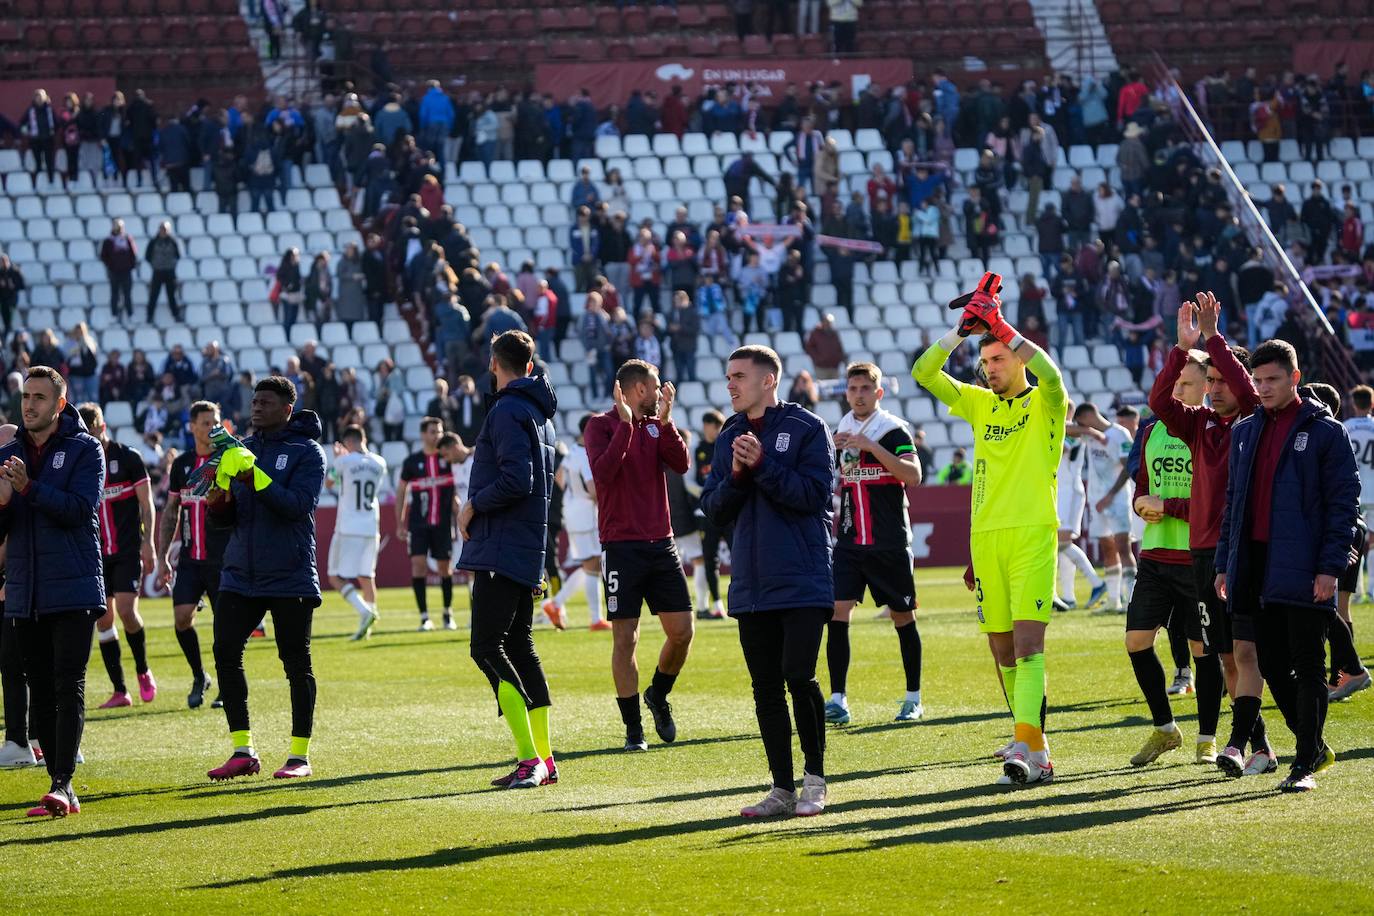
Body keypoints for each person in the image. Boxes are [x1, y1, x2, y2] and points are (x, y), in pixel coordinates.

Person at [912, 273, 1066, 786]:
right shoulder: (980, 403)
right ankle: (1031, 742)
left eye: (998, 358)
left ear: (1018, 358)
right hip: (987, 539)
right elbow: (924, 372)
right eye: (984, 362)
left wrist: (1001, 324)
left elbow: (1054, 376)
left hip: (1031, 535)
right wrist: (962, 332)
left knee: (1027, 647)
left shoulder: (1045, 403)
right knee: (1002, 651)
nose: (990, 369)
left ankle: (1029, 748)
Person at [1214, 338, 1359, 792]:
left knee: (1310, 666)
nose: (1262, 388)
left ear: (1295, 378)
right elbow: (1233, 504)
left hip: (1305, 565)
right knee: (1273, 666)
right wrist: (1224, 563)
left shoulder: (1327, 432)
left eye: (1272, 379)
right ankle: (1312, 746)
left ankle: (1304, 765)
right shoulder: (1244, 431)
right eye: (1256, 380)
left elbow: (1343, 506)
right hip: (1254, 567)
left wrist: (1330, 567)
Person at [701, 345, 835, 817]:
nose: (731, 384)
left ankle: (815, 780)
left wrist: (762, 466)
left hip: (801, 577)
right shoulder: (729, 435)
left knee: (799, 675)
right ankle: (781, 788)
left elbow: (814, 497)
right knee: (764, 689)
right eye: (728, 375)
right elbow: (713, 509)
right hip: (751, 584)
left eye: (739, 375)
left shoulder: (807, 428)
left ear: (768, 380)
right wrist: (738, 476)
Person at [205, 376, 326, 782]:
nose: (257, 407)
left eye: (267, 402)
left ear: (287, 409)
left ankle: (299, 756)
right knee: (224, 651)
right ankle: (243, 749)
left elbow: (296, 506)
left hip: (290, 572)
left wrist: (254, 477)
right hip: (241, 572)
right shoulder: (242, 449)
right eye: (255, 401)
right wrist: (218, 502)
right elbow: (227, 519)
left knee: (295, 663)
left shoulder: (307, 452)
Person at [457, 330, 559, 789]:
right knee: (520, 645)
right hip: (526, 545)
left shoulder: (505, 411)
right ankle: (546, 758)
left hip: (501, 545)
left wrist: (474, 503)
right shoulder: (542, 416)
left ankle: (528, 759)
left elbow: (516, 481)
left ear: (494, 365)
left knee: (486, 647)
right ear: (531, 368)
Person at [0, 368, 105, 816]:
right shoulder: (7, 453)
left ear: (59, 404)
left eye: (40, 397)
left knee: (68, 686)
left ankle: (64, 785)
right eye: (26, 396)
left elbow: (80, 511)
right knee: (39, 691)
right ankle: (57, 785)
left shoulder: (86, 450)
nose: (29, 405)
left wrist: (28, 488)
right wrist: (4, 501)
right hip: (26, 589)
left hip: (74, 586)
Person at [584, 360, 694, 751]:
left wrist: (666, 422)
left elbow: (681, 464)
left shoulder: (657, 424)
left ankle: (658, 694)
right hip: (621, 547)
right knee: (625, 639)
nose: (659, 393)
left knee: (683, 633)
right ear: (632, 390)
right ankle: (634, 730)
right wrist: (627, 426)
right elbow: (604, 472)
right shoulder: (600, 426)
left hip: (662, 544)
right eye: (652, 388)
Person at [1122, 347, 1213, 766]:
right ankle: (1165, 729)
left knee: (1202, 649)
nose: (1179, 391)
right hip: (1156, 555)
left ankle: (1207, 739)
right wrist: (1142, 503)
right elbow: (1143, 486)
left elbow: (1214, 502)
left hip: (1196, 559)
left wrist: (1170, 505)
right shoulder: (1152, 430)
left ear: (1207, 388)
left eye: (1189, 384)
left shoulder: (1211, 430)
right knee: (1136, 642)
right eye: (1176, 384)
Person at [824, 363, 925, 726]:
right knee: (836, 613)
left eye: (866, 388)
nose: (859, 394)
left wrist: (870, 447)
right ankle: (838, 699)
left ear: (878, 393)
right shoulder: (840, 431)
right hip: (850, 540)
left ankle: (913, 698)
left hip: (889, 540)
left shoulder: (891, 429)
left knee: (903, 617)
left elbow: (913, 476)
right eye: (853, 389)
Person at [79, 403, 157, 709]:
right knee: (104, 619)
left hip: (125, 550)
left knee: (126, 610)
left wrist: (148, 543)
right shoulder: (82, 463)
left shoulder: (128, 458)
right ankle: (120, 690)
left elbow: (147, 504)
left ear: (103, 427)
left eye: (94, 429)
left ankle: (143, 670)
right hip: (95, 553)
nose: (92, 436)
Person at [155, 401, 224, 709]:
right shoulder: (182, 464)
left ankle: (228, 685)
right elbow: (171, 512)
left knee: (226, 628)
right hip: (190, 559)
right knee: (182, 618)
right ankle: (199, 675)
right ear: (192, 426)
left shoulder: (227, 460)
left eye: (216, 422)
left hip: (222, 559)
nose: (212, 428)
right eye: (206, 423)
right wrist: (162, 557)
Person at [1309, 384, 1370, 702]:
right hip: (1357, 518)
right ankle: (1341, 675)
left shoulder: (1328, 435)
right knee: (1339, 606)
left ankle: (1347, 671)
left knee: (1325, 605)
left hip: (1339, 526)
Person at [542, 415, 607, 631]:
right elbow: (593, 490)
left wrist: (573, 496)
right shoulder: (586, 455)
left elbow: (558, 479)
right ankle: (595, 618)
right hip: (587, 514)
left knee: (591, 564)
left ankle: (556, 603)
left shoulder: (572, 451)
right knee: (593, 565)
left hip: (572, 512)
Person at [326, 425, 388, 640]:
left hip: (348, 526)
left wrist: (336, 459)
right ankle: (367, 626)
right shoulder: (380, 462)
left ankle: (365, 612)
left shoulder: (343, 461)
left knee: (334, 576)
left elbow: (330, 482)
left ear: (347, 442)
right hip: (371, 526)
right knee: (366, 576)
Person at [396, 417, 459, 631]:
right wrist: (400, 523)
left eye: (439, 432)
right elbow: (401, 492)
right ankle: (424, 617)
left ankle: (447, 614)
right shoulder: (412, 462)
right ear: (423, 434)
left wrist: (457, 520)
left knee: (444, 568)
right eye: (433, 432)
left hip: (442, 523)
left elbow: (456, 494)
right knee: (418, 566)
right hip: (419, 524)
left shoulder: (449, 460)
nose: (437, 436)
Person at [1076, 402, 1135, 612]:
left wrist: (1110, 495)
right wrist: (1087, 430)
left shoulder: (1119, 435)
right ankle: (1113, 600)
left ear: (1089, 415)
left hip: (1117, 499)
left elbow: (1128, 466)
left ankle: (1131, 600)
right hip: (1096, 500)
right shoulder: (1089, 434)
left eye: (1081, 421)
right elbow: (1064, 428)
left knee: (1123, 546)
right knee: (1107, 548)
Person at [1056, 409, 1107, 610]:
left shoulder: (1073, 434)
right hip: (1065, 490)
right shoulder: (1074, 431)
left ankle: (1096, 582)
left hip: (1068, 490)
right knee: (1063, 545)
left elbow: (1064, 436)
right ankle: (1068, 596)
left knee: (1060, 543)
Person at [693, 411, 728, 620]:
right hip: (706, 512)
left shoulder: (725, 446)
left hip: (728, 509)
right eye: (708, 425)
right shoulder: (698, 450)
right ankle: (716, 604)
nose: (711, 429)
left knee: (739, 553)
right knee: (709, 559)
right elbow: (692, 480)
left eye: (714, 426)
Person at [100, 219, 137, 322]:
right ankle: (114, 315)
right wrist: (111, 266)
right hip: (114, 272)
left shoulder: (127, 239)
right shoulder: (108, 240)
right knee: (115, 294)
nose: (119, 229)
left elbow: (133, 254)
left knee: (127, 294)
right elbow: (103, 256)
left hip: (126, 271)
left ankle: (130, 314)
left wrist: (130, 265)